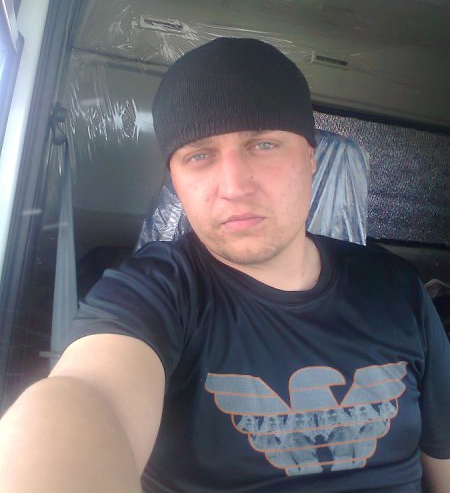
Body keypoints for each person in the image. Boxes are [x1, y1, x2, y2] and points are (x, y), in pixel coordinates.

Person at [0, 38, 449, 492]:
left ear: (310, 157)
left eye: (264, 144)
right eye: (199, 156)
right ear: (175, 179)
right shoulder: (153, 294)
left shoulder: (397, 288)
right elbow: (87, 397)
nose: (234, 187)